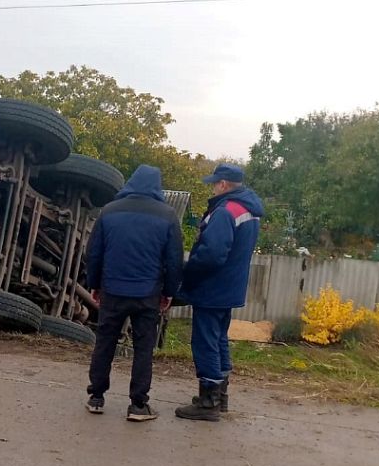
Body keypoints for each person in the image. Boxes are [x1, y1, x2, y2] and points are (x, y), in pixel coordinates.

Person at [85, 164, 184, 421]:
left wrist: (94, 284)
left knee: (105, 342)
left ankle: (96, 397)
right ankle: (138, 405)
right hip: (147, 294)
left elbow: (94, 253)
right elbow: (174, 261)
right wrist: (169, 293)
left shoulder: (109, 211)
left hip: (113, 291)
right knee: (143, 348)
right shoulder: (168, 215)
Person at [175, 163, 264, 421]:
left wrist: (188, 273)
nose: (212, 187)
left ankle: (208, 402)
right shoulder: (248, 210)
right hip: (229, 287)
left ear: (223, 184)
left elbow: (212, 254)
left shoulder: (225, 212)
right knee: (219, 339)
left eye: (215, 183)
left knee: (205, 342)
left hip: (213, 287)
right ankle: (220, 395)